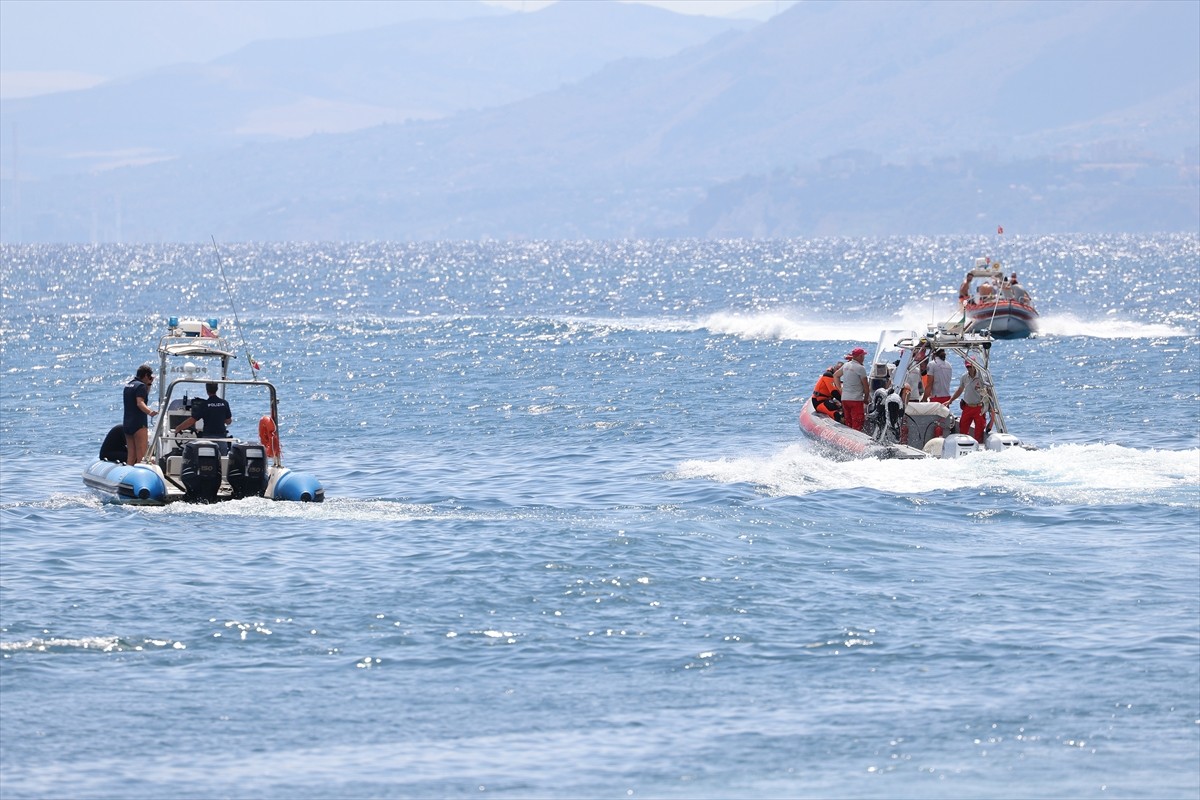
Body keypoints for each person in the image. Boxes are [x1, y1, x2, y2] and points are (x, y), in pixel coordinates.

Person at [123, 364, 158, 465]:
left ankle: (128, 476)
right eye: (150, 377)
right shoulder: (141, 386)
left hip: (127, 423)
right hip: (139, 424)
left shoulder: (129, 385)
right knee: (141, 457)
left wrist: (149, 384)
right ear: (146, 375)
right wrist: (150, 412)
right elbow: (140, 402)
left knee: (131, 456)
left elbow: (140, 396)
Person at [947, 358, 987, 443]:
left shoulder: (982, 377)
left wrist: (990, 406)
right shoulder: (964, 377)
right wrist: (951, 400)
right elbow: (960, 390)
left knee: (979, 431)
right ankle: (964, 445)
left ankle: (978, 447)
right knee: (963, 428)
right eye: (967, 367)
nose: (969, 369)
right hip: (967, 407)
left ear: (975, 365)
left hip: (979, 407)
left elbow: (989, 391)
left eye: (970, 366)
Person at [836, 346, 869, 431]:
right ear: (860, 356)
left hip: (845, 399)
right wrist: (866, 398)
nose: (864, 358)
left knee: (848, 422)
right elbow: (866, 386)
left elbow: (836, 375)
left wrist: (839, 388)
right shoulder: (861, 368)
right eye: (863, 356)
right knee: (857, 422)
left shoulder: (846, 365)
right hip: (856, 400)